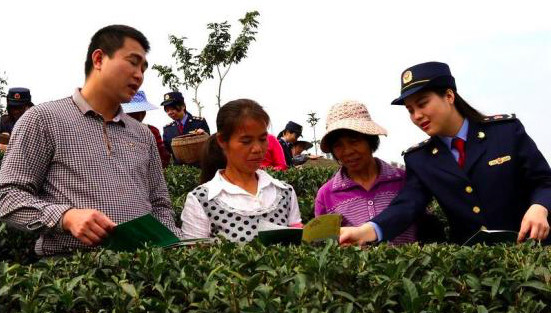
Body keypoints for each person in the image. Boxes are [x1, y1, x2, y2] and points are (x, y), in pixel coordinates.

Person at [0, 25, 182, 256]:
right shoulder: (43, 119)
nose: (139, 75)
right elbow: (7, 196)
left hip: (145, 273)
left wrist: (172, 245)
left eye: (144, 68)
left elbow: (161, 205)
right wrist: (65, 217)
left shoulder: (143, 134)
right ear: (99, 59)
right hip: (74, 277)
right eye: (132, 62)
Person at [340, 62, 551, 246]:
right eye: (410, 110)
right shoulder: (420, 159)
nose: (417, 116)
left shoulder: (505, 132)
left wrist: (539, 207)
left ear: (449, 95)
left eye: (422, 104)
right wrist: (365, 231)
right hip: (476, 269)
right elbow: (407, 205)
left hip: (534, 251)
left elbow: (544, 181)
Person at [180, 99, 302, 242]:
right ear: (222, 141)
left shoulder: (284, 192)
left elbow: (298, 250)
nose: (257, 149)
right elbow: (194, 259)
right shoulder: (201, 200)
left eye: (263, 139)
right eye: (246, 141)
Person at [315, 101, 416, 244]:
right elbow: (322, 243)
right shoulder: (326, 194)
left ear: (370, 140)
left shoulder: (403, 180)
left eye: (354, 141)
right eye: (338, 145)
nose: (348, 151)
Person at [121, 90, 171, 168]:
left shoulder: (152, 131)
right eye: (132, 112)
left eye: (139, 112)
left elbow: (162, 157)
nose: (137, 115)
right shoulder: (115, 131)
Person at [161, 91, 210, 165]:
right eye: (167, 110)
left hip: (201, 169)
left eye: (173, 108)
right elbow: (165, 152)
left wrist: (204, 135)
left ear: (183, 106)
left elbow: (209, 146)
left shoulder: (199, 122)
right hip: (179, 173)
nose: (170, 112)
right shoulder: (168, 129)